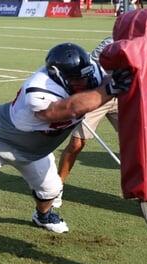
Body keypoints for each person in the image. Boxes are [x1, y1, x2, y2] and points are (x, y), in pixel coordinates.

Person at [0, 42, 132, 233]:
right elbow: (64, 110)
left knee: (51, 190)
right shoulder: (39, 88)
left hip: (34, 151)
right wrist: (110, 89)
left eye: (85, 77)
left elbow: (109, 78)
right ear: (58, 76)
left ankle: (42, 216)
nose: (84, 83)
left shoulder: (92, 72)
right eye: (76, 79)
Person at [58, 37, 118, 186]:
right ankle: (56, 187)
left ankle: (142, 191)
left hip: (122, 97)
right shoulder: (110, 42)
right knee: (76, 144)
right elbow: (90, 67)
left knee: (136, 142)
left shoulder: (144, 43)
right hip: (98, 95)